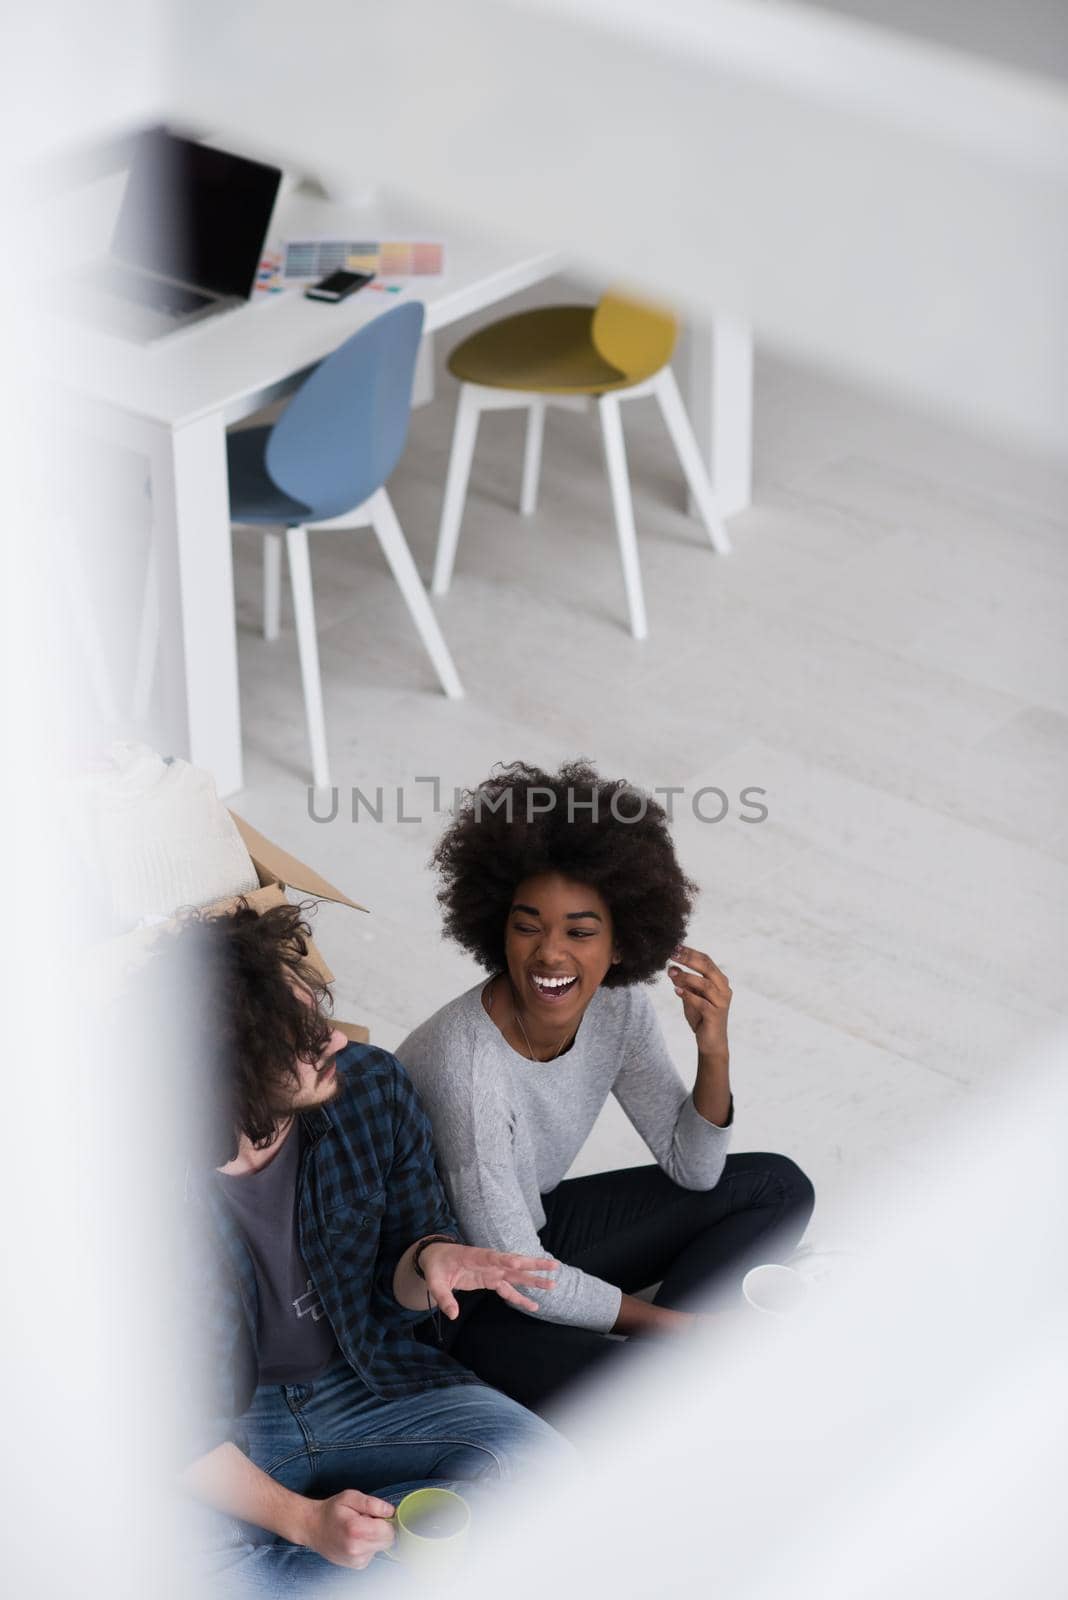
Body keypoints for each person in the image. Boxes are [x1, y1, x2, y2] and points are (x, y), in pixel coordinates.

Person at [150, 900, 567, 1595]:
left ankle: (336, 1557)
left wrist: (428, 1262)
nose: (336, 1039)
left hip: (366, 1382)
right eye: (305, 1041)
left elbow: (396, 1280)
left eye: (318, 1015)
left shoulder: (370, 1089)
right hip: (223, 1430)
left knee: (547, 1475)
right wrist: (303, 1522)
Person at [396, 760, 815, 1416]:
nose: (549, 954)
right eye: (527, 924)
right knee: (636, 1405)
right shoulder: (464, 1072)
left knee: (779, 1187)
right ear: (497, 924)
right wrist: (682, 1329)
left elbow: (695, 1169)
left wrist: (714, 1046)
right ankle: (665, 1358)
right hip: (469, 1304)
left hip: (537, 1226)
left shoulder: (617, 1011)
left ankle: (655, 1362)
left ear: (621, 944)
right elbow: (518, 1274)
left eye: (580, 931)